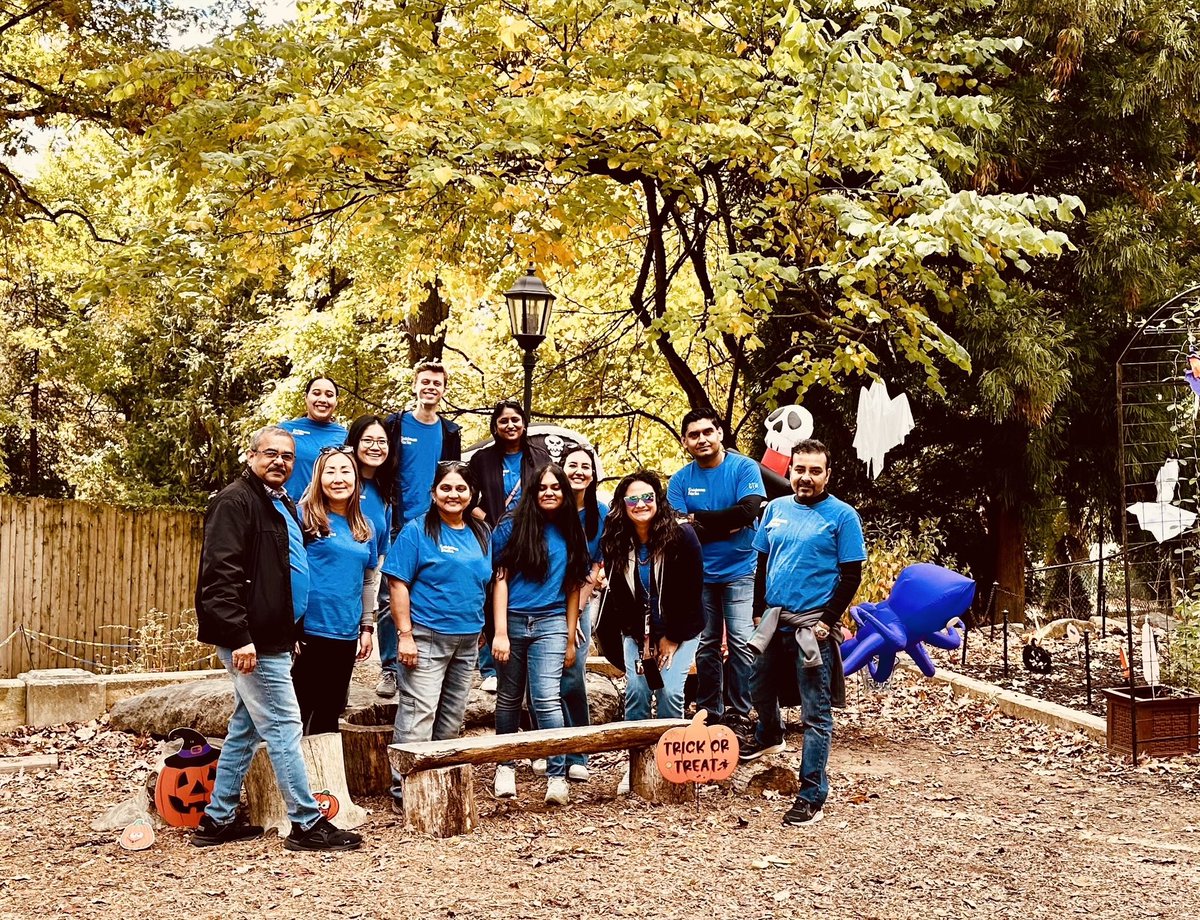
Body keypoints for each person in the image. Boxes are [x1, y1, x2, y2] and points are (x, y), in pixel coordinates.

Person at [192, 426, 362, 851]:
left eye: (287, 456)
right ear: (251, 456)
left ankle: (217, 820)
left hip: (275, 636)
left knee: (246, 729)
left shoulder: (278, 502)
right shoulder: (236, 501)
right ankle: (306, 823)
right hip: (252, 641)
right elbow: (220, 577)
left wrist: (292, 631)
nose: (280, 462)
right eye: (271, 454)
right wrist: (239, 636)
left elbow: (283, 573)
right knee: (286, 726)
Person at [743, 439, 865, 828]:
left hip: (813, 626)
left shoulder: (843, 517)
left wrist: (829, 618)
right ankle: (769, 732)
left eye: (815, 470)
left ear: (827, 474)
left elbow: (851, 573)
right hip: (774, 621)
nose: (806, 477)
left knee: (816, 713)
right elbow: (762, 562)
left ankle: (812, 793)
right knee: (757, 684)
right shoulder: (775, 510)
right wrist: (758, 610)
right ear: (790, 471)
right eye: (800, 469)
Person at [383, 461, 492, 812]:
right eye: (446, 488)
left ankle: (439, 780)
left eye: (461, 488)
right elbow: (397, 583)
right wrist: (405, 635)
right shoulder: (417, 531)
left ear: (471, 494)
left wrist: (484, 628)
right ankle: (404, 789)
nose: (453, 494)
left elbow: (483, 583)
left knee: (451, 716)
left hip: (467, 639)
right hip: (426, 636)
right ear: (433, 493)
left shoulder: (481, 533)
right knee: (419, 713)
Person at [596, 470, 703, 794]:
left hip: (679, 630)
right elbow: (617, 596)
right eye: (633, 499)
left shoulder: (683, 536)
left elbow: (692, 591)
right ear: (622, 504)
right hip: (636, 633)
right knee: (638, 692)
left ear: (658, 500)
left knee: (670, 692)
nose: (641, 504)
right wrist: (640, 641)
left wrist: (670, 638)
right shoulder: (614, 540)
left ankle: (671, 763)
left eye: (647, 497)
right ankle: (637, 765)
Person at [490, 463, 590, 806]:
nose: (549, 492)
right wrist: (500, 631)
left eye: (556, 487)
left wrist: (568, 635)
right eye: (542, 487)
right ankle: (505, 765)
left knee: (547, 699)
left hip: (551, 623)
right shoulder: (510, 528)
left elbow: (575, 586)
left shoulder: (571, 530)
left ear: (564, 492)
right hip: (513, 621)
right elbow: (500, 580)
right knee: (508, 698)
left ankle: (556, 773)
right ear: (532, 492)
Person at [665, 407, 766, 737]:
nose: (702, 439)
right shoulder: (681, 480)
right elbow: (680, 531)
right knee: (706, 643)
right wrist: (728, 521)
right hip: (700, 574)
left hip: (740, 568)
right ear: (685, 441)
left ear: (719, 433)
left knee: (740, 641)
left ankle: (740, 712)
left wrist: (699, 519)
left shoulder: (743, 467)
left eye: (708, 431)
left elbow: (748, 510)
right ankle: (709, 710)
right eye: (694, 435)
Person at [376, 361, 463, 699]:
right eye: (425, 381)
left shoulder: (450, 432)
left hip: (437, 523)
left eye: (437, 383)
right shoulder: (396, 425)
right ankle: (390, 668)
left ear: (443, 389)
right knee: (389, 596)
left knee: (432, 589)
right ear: (415, 385)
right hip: (400, 522)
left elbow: (454, 476)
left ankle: (433, 662)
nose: (430, 387)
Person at [292, 447, 382, 735]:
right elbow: (285, 573)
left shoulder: (365, 527)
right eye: (330, 471)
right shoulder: (303, 517)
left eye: (345, 471)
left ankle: (323, 778)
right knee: (297, 712)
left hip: (344, 632)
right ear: (319, 478)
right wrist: (290, 626)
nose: (338, 478)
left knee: (329, 713)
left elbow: (368, 581)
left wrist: (366, 626)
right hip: (307, 631)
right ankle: (290, 779)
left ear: (356, 479)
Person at [468, 399, 549, 692]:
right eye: (504, 421)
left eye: (515, 419)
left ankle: (524, 664)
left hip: (531, 537)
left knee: (522, 594)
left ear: (524, 423)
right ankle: (491, 667)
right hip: (492, 536)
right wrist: (488, 521)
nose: (510, 425)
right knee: (491, 594)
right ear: (495, 426)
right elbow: (469, 499)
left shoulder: (539, 457)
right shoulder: (481, 460)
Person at [558, 445, 607, 783]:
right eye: (572, 465)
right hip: (543, 604)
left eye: (585, 466)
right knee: (543, 680)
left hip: (582, 599)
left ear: (593, 473)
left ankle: (578, 752)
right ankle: (549, 748)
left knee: (573, 675)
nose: (578, 471)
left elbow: (597, 564)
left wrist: (580, 605)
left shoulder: (600, 513)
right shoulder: (549, 506)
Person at [279, 376, 349, 504]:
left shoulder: (345, 436)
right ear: (306, 397)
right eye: (316, 393)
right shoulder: (284, 430)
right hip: (285, 509)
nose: (322, 399)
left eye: (329, 395)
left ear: (336, 401)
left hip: (325, 512)